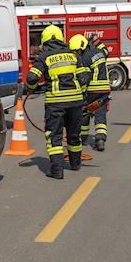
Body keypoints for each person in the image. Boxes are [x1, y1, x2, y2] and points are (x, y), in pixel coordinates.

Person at [25, 25, 90, 180]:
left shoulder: (44, 57)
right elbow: (84, 78)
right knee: (74, 135)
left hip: (56, 104)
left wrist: (32, 88)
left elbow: (32, 78)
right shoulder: (73, 55)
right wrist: (80, 96)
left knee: (54, 136)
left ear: (45, 41)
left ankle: (57, 170)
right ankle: (75, 164)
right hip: (75, 103)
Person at [70, 34, 110, 152]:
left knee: (85, 113)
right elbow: (106, 50)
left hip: (91, 90)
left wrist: (81, 94)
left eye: (77, 51)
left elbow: (84, 79)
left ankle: (84, 139)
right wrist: (97, 40)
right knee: (100, 115)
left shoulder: (84, 59)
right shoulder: (100, 52)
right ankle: (100, 140)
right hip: (104, 90)